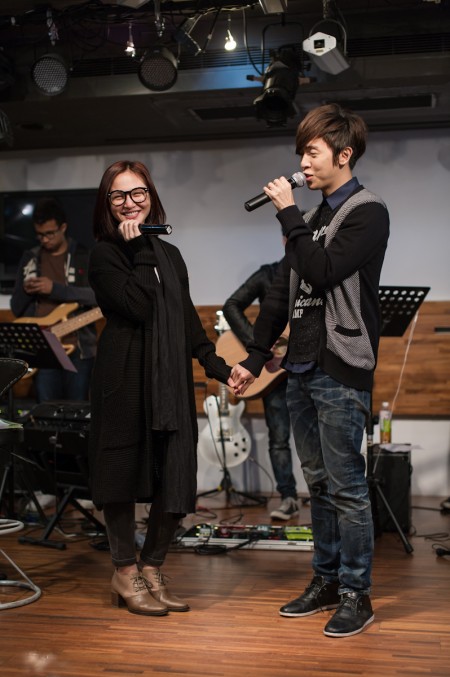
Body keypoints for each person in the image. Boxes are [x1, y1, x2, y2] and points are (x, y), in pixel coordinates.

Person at [231, 103, 389, 638]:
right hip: (298, 366)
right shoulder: (312, 220)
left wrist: (287, 213)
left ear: (344, 155)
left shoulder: (367, 211)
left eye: (312, 152)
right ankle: (325, 580)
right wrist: (254, 358)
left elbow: (322, 272)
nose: (302, 162)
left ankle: (356, 593)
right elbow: (282, 291)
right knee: (317, 484)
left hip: (340, 365)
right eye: (301, 152)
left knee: (347, 487)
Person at [88, 160, 234, 616]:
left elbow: (185, 319)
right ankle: (124, 571)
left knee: (175, 474)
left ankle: (151, 568)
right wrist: (140, 250)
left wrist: (218, 366)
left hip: (169, 380)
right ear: (107, 204)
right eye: (118, 195)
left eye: (138, 193)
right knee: (120, 476)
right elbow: (136, 305)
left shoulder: (170, 255)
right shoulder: (105, 254)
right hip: (124, 379)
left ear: (151, 196)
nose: (130, 202)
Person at [223, 259, 299, 520]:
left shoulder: (315, 270)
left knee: (318, 437)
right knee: (278, 438)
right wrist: (259, 347)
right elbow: (231, 305)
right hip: (274, 374)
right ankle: (288, 497)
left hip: (307, 367)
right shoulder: (269, 274)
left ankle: (325, 501)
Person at [10, 197, 97, 403]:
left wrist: (55, 289)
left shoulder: (83, 255)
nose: (45, 240)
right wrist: (25, 291)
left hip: (78, 349)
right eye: (40, 235)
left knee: (77, 410)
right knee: (45, 410)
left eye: (50, 233)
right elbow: (16, 308)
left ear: (63, 227)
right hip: (43, 349)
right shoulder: (30, 258)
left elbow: (96, 295)